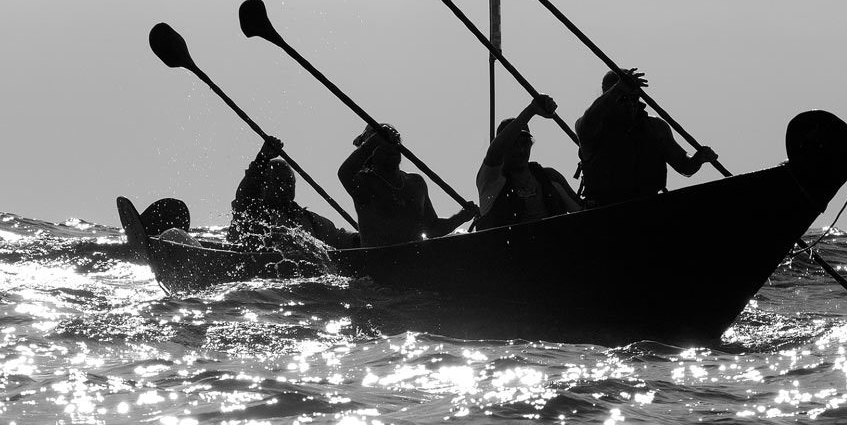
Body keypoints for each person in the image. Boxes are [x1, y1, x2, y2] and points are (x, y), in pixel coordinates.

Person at [576, 68, 718, 206]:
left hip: (649, 207)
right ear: (608, 96)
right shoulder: (592, 128)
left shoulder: (655, 127)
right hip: (605, 212)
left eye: (634, 98)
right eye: (623, 99)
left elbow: (684, 165)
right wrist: (619, 88)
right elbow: (590, 119)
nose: (630, 104)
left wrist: (698, 159)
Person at [338, 123, 477, 247]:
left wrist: (461, 217)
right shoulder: (365, 183)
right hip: (378, 264)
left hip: (414, 263)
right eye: (382, 147)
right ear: (371, 152)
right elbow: (344, 173)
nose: (390, 149)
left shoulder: (416, 183)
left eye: (394, 144)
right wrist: (373, 141)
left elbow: (432, 228)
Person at [228, 136, 359, 250]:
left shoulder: (311, 220)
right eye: (279, 181)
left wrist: (364, 238)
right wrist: (262, 159)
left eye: (289, 182)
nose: (286, 187)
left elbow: (342, 239)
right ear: (265, 185)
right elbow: (247, 194)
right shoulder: (253, 214)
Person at [475, 95, 582, 231]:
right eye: (513, 144)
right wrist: (532, 110)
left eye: (525, 143)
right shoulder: (491, 181)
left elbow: (584, 212)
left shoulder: (549, 177)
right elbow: (494, 153)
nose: (521, 150)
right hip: (510, 250)